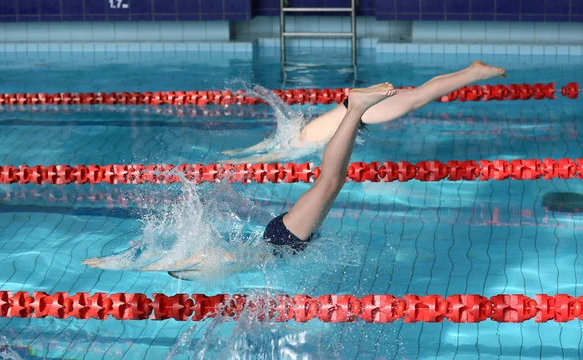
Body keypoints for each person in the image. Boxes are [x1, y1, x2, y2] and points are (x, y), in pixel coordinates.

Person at [83, 82, 399, 279]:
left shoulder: (211, 262)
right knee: (331, 180)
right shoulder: (214, 262)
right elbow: (164, 259)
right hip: (285, 237)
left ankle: (354, 108)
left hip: (286, 239)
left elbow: (172, 260)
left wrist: (120, 265)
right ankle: (353, 109)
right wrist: (119, 263)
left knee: (331, 181)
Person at [222, 60, 507, 164]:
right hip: (355, 108)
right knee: (419, 94)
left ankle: (475, 73)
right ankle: (471, 70)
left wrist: (235, 165)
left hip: (363, 111)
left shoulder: (296, 145)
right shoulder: (298, 133)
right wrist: (235, 155)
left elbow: (271, 154)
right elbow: (267, 146)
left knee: (419, 97)